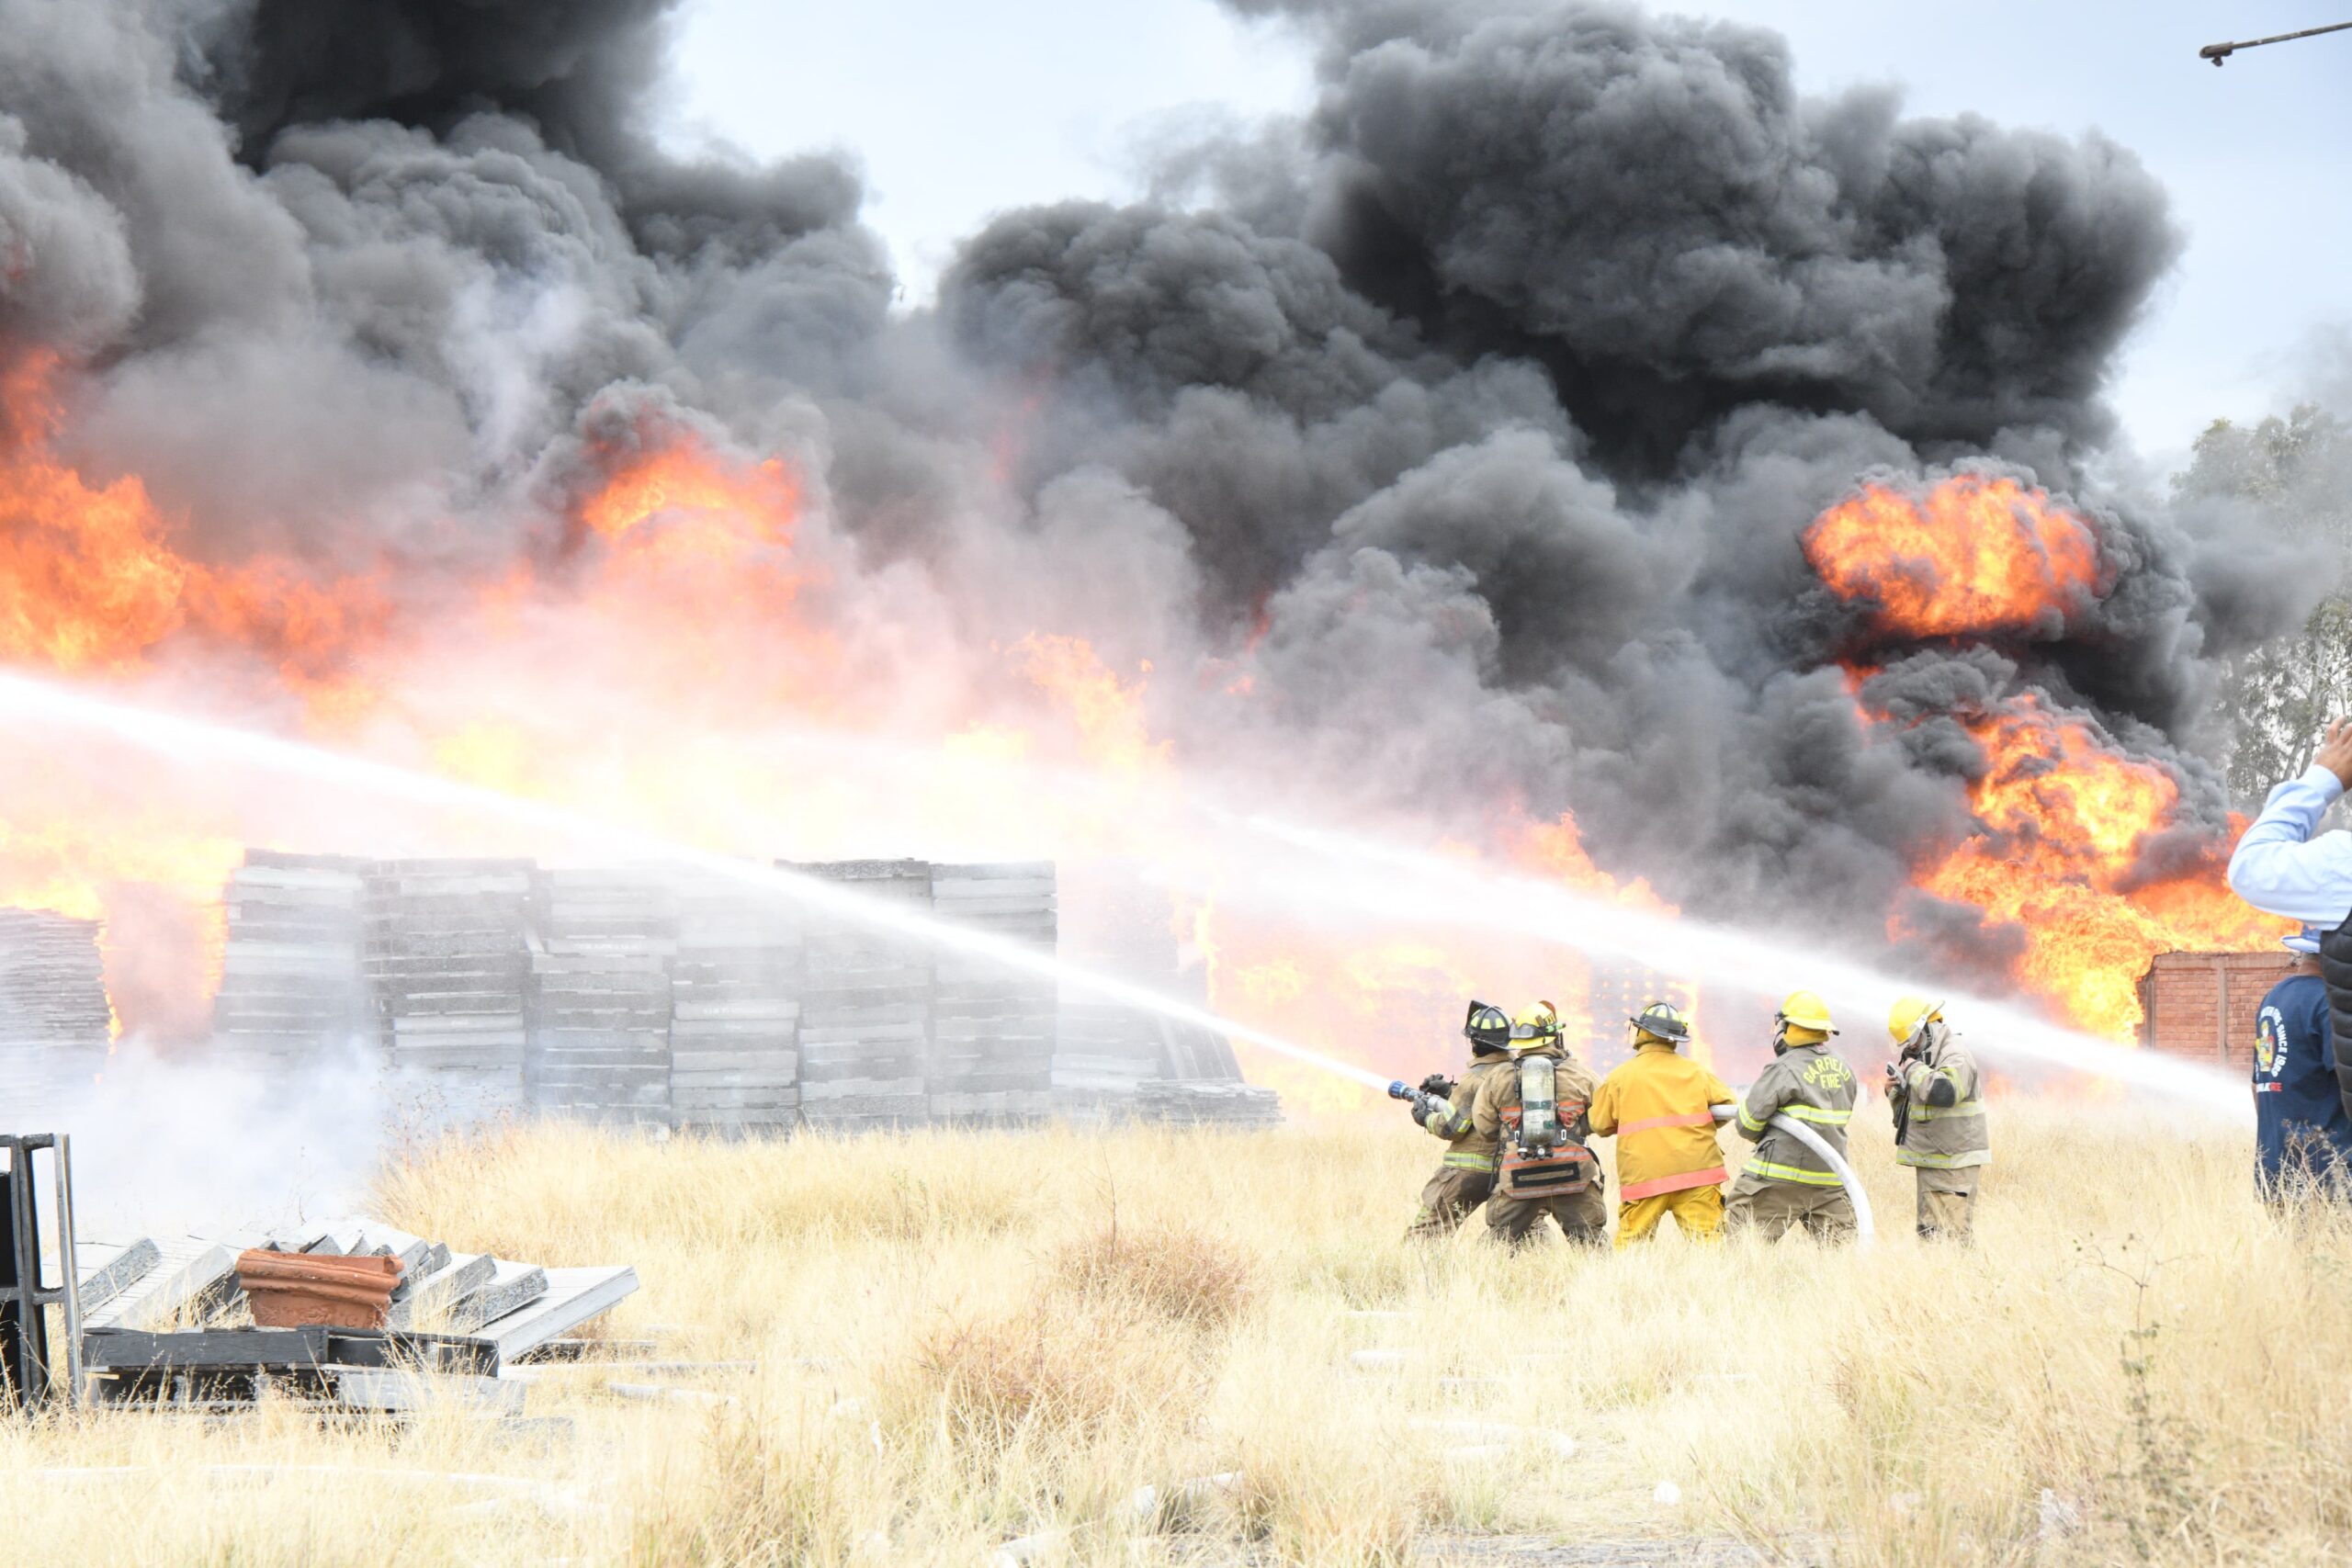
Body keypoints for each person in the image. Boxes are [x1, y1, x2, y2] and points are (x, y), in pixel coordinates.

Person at [2227, 717, 2352, 1121]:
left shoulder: (2283, 999)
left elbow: (2252, 866)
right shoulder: (2317, 1003)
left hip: (2287, 1168)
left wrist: (2324, 777)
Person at [1587, 1002, 1736, 1247]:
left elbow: (1599, 1123)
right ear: (1675, 1039)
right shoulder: (1697, 1072)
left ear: (1641, 1032)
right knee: (1710, 1247)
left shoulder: (1621, 1077)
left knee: (1632, 1251)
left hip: (1645, 1175)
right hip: (1697, 1172)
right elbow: (1728, 1106)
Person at [1724, 991, 1859, 1243]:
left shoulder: (1784, 1067)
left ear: (1789, 1027)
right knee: (1844, 1254)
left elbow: (1747, 1123)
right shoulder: (1844, 1066)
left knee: (1743, 1242)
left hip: (1779, 1176)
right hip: (1831, 1176)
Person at [1471, 1001, 1608, 1247]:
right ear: (1554, 1036)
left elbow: (1485, 1127)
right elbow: (1601, 1120)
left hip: (1519, 1174)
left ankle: (1479, 1285)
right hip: (1572, 1173)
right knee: (1593, 1245)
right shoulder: (1580, 1074)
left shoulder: (1498, 1078)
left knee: (1496, 1246)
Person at [2251, 929, 2352, 1202]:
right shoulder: (2332, 1004)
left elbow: (2258, 1084)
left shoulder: (2273, 998)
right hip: (2329, 1179)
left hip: (2275, 1172)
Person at [1404, 1001, 1514, 1239]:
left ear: (1475, 1042)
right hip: (1511, 1170)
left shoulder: (1474, 1079)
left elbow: (1450, 1127)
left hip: (1469, 1172)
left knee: (1427, 1231)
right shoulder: (1517, 1072)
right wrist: (1449, 1092)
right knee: (1520, 1231)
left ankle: (1415, 1268)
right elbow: (1490, 1102)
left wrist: (1425, 1118)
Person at [1883, 998, 1989, 1241]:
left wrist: (1912, 1070)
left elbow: (1945, 1092)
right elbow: (1917, 1115)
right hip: (1935, 1162)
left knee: (1952, 1238)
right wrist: (1898, 1092)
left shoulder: (1955, 1053)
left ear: (1928, 1028)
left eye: (1914, 1041)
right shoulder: (1929, 1056)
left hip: (1954, 1167)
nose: (1910, 1049)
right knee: (1931, 1237)